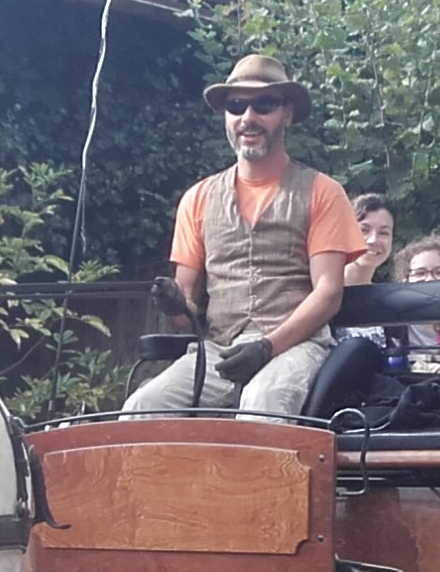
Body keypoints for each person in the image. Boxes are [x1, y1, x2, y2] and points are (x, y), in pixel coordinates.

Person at [123, 55, 365, 417]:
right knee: (142, 407)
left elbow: (328, 293)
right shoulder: (198, 198)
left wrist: (267, 346)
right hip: (220, 350)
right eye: (236, 105)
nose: (248, 118)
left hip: (295, 347)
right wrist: (175, 304)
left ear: (287, 113)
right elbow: (186, 308)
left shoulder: (322, 191)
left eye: (263, 105)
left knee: (262, 403)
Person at [344, 194, 395, 286]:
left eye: (383, 233)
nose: (373, 240)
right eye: (364, 230)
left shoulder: (386, 298)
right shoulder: (316, 291)